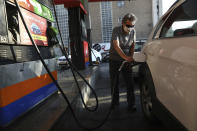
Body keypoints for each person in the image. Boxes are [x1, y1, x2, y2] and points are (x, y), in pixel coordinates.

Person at [109, 13, 137, 111]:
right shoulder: (116, 30)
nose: (130, 28)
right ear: (123, 23)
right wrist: (126, 57)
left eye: (132, 26)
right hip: (114, 59)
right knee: (114, 82)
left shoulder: (133, 32)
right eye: (128, 26)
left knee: (130, 82)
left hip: (126, 60)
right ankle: (114, 102)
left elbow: (133, 44)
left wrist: (131, 56)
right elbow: (116, 46)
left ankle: (131, 104)